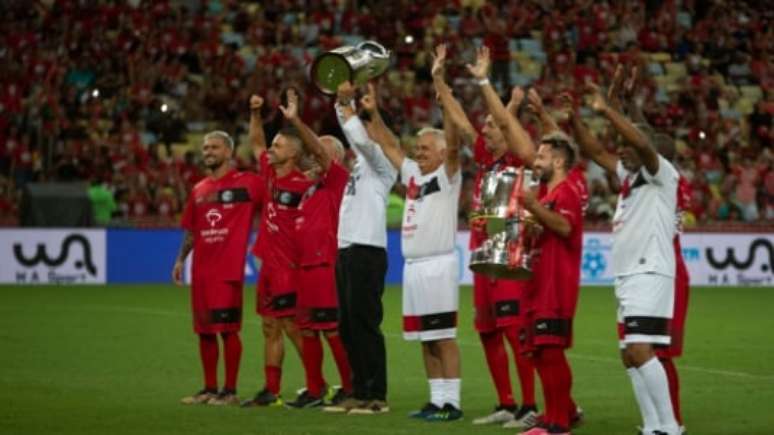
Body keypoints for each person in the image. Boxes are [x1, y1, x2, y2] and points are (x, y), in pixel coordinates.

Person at [470, 47, 585, 435]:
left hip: (554, 285)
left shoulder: (566, 189)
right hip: (537, 282)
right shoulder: (550, 190)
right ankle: (558, 415)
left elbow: (566, 229)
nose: (534, 156)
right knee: (540, 351)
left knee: (549, 352)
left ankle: (556, 421)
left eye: (542, 154)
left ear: (558, 161)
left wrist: (533, 207)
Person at [430, 44, 537, 428]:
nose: (486, 129)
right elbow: (458, 119)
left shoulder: (518, 159)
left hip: (509, 251)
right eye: (487, 126)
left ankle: (529, 405)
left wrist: (501, 98)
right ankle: (506, 402)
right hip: (481, 253)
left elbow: (501, 122)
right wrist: (439, 80)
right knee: (488, 332)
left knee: (512, 331)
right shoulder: (485, 155)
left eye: (493, 125)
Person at [580, 81, 681, 435]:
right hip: (627, 275)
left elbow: (640, 140)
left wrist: (609, 110)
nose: (620, 150)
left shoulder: (662, 174)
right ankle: (653, 426)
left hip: (650, 271)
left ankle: (670, 427)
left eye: (627, 146)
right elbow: (594, 151)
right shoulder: (631, 178)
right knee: (628, 355)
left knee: (640, 350)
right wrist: (572, 119)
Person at [366, 82, 464, 421]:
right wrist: (372, 110)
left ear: (439, 152)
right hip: (413, 268)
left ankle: (452, 402)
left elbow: (454, 145)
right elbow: (387, 142)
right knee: (425, 337)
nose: (419, 153)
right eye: (418, 148)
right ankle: (436, 400)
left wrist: (447, 105)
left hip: (438, 265)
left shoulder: (448, 175)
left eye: (425, 149)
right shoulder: (411, 175)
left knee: (443, 336)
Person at [274, 90, 354, 409]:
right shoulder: (309, 188)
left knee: (330, 330)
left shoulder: (338, 180)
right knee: (307, 330)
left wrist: (296, 120)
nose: (311, 156)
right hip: (304, 267)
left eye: (319, 151)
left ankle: (349, 387)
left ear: (331, 157)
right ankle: (315, 389)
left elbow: (317, 152)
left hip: (325, 266)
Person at [323, 81, 397, 414]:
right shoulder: (359, 168)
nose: (364, 136)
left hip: (367, 251)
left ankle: (376, 394)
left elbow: (362, 141)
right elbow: (356, 139)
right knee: (347, 324)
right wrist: (344, 105)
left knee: (365, 323)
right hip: (348, 249)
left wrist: (346, 105)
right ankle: (358, 388)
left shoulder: (383, 164)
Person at [173, 130, 262, 406]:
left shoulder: (248, 183)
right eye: (205, 148)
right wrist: (180, 260)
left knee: (227, 329)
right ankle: (210, 388)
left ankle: (230, 391)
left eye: (214, 147)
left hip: (228, 271)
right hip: (201, 271)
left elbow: (275, 193)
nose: (207, 152)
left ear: (228, 152)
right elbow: (192, 232)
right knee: (205, 330)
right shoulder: (199, 190)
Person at [241, 92, 311, 407]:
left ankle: (316, 385)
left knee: (292, 326)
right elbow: (256, 143)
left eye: (278, 146)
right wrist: (256, 114)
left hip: (290, 267)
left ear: (294, 154)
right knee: (269, 326)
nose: (270, 149)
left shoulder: (304, 185)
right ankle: (272, 390)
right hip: (268, 265)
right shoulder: (269, 173)